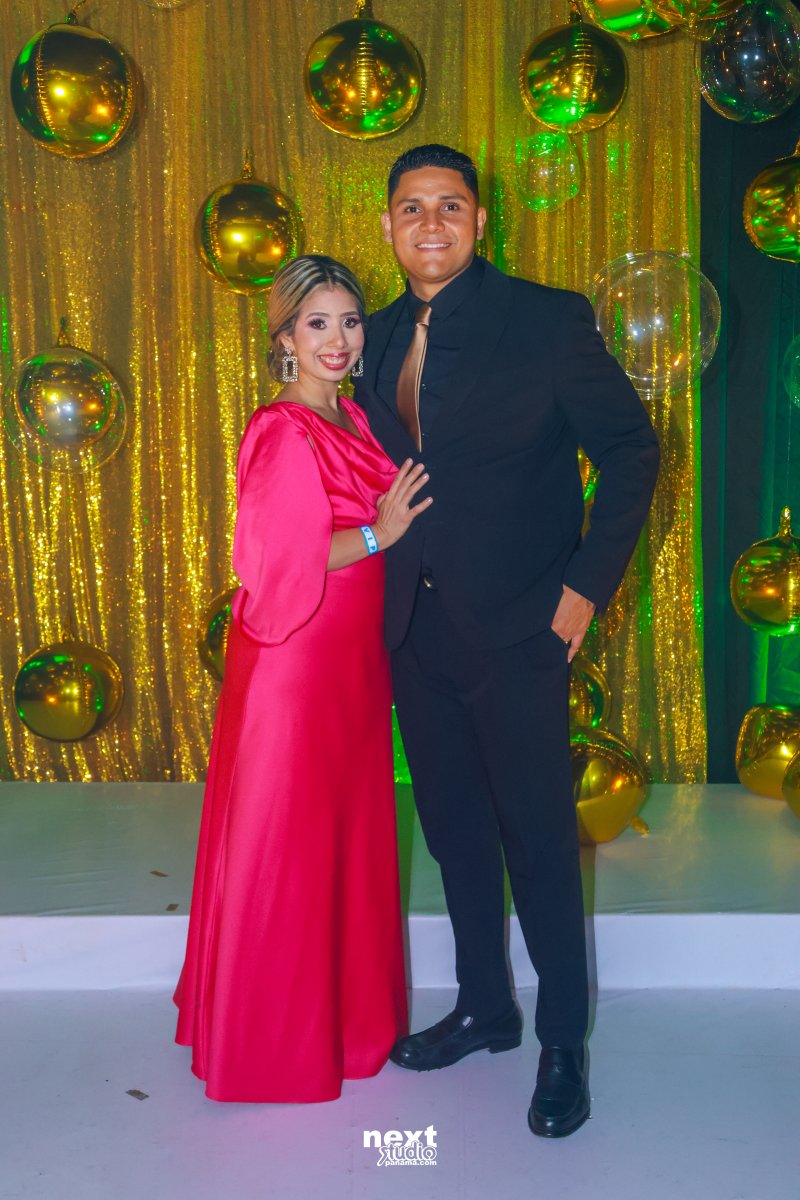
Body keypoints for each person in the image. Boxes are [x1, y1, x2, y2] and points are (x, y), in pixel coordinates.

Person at [353, 145, 660, 1138]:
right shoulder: (372, 336)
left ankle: (562, 1041)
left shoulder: (546, 319)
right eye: (411, 208)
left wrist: (583, 590)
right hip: (413, 633)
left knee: (537, 842)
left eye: (450, 206)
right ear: (388, 225)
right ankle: (485, 1008)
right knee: (453, 835)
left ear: (480, 222)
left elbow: (631, 450)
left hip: (522, 628)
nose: (430, 224)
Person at [173, 254, 432, 1103]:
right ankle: (271, 1042)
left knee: (339, 835)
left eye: (349, 320)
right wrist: (380, 535)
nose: (338, 339)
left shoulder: (351, 415)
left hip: (349, 664)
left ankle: (346, 1023)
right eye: (318, 323)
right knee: (290, 840)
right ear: (285, 336)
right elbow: (280, 563)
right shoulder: (283, 428)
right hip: (295, 663)